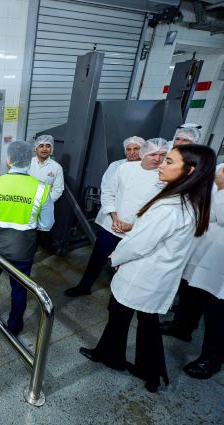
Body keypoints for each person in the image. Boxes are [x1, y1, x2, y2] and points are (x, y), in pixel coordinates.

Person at [79, 144, 216, 393]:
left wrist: (116, 257)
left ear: (189, 170)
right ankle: (146, 370)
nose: (161, 164)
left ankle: (124, 362)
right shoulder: (189, 201)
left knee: (123, 315)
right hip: (157, 276)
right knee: (143, 320)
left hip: (142, 274)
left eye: (169, 161)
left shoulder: (170, 208)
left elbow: (140, 244)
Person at [64, 138, 167, 297]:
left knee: (127, 263)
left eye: (162, 155)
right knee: (98, 257)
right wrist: (115, 218)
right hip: (111, 225)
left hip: (138, 229)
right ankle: (84, 286)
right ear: (144, 153)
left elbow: (158, 209)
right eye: (153, 154)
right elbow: (108, 192)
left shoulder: (164, 177)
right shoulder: (124, 168)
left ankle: (119, 295)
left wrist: (134, 225)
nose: (157, 159)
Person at [0, 141, 54, 335]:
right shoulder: (42, 189)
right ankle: (14, 326)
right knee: (19, 289)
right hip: (23, 249)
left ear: (9, 160)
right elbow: (46, 225)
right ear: (29, 161)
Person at [160, 164, 224, 379]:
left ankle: (212, 358)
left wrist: (222, 188)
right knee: (190, 292)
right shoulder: (220, 170)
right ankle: (182, 327)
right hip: (201, 250)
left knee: (216, 311)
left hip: (219, 262)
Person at [29, 135, 64, 202]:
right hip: (25, 201)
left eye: (48, 146)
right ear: (36, 148)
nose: (44, 149)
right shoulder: (27, 163)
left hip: (45, 204)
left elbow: (58, 190)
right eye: (41, 146)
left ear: (51, 149)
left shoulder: (57, 167)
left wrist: (45, 203)